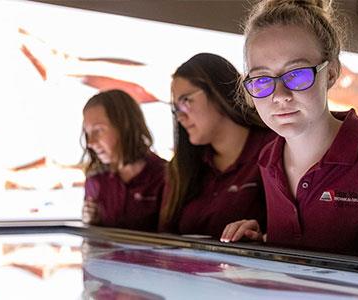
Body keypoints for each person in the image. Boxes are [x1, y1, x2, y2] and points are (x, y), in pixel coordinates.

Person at [221, 0, 358, 257]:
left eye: (297, 74)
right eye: (262, 80)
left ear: (331, 73)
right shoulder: (268, 160)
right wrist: (265, 242)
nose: (280, 95)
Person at [158, 53, 276, 238]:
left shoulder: (276, 149)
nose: (180, 117)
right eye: (175, 109)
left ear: (218, 91)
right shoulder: (182, 167)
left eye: (185, 101)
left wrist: (263, 238)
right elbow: (164, 237)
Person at [81, 89, 166, 231]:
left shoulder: (165, 177)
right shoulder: (95, 181)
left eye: (99, 130)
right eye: (87, 133)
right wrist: (90, 223)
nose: (90, 142)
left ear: (125, 126)